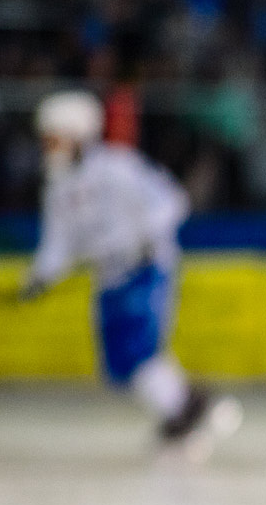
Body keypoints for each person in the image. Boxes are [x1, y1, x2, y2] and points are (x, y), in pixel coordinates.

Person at [24, 90, 240, 457]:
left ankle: (186, 415)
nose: (48, 146)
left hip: (146, 267)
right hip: (110, 277)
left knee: (139, 350)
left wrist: (142, 240)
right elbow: (58, 243)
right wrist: (41, 276)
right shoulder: (58, 189)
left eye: (54, 137)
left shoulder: (117, 168)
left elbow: (171, 202)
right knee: (121, 365)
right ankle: (192, 405)